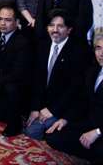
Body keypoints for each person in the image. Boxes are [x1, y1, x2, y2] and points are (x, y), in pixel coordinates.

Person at [25, 9, 90, 140]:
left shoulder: (79, 52)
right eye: (51, 25)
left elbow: (75, 88)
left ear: (69, 29)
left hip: (63, 106)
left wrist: (52, 110)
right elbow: (37, 80)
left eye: (60, 26)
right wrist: (35, 108)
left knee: (43, 133)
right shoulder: (42, 45)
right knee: (30, 130)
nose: (55, 30)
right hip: (43, 103)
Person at [45, 33, 103, 162]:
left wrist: (97, 132)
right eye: (98, 48)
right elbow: (82, 101)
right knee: (53, 136)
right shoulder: (92, 71)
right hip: (89, 122)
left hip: (100, 129)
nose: (101, 53)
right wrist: (66, 119)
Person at [0, 3, 31, 137]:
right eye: (0, 19)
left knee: (11, 88)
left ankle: (16, 124)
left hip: (18, 85)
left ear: (17, 22)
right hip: (1, 82)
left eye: (8, 20)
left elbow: (17, 74)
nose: (3, 23)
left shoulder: (23, 42)